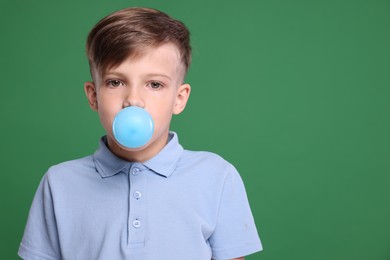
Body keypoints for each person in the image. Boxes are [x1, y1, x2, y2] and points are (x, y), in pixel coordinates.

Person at [18, 7, 262, 260]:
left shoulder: (217, 177)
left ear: (179, 99)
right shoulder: (59, 183)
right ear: (94, 96)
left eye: (154, 84)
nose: (133, 100)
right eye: (116, 82)